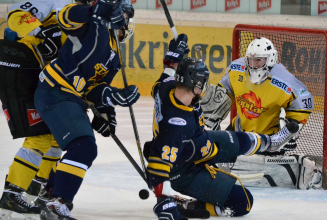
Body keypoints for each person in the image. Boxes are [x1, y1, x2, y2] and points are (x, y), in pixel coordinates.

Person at [144, 34, 300, 220]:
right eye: (204, 84)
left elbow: (168, 72)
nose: (205, 89)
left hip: (198, 142)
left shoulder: (167, 87)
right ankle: (190, 206)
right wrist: (163, 201)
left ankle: (271, 142)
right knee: (243, 202)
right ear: (196, 84)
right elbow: (158, 164)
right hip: (185, 167)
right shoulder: (177, 125)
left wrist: (173, 57)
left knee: (235, 139)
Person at [33, 0, 139, 219]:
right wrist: (95, 10)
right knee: (83, 147)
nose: (125, 23)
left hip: (72, 99)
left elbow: (96, 88)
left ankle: (49, 193)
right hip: (56, 90)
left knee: (81, 146)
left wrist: (110, 107)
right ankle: (57, 204)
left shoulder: (115, 58)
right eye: (124, 17)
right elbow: (65, 17)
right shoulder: (92, 25)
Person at [200, 37, 321, 189]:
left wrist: (290, 131)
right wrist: (210, 103)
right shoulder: (236, 68)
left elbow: (305, 103)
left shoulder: (284, 80)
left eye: (258, 60)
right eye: (250, 60)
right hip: (239, 130)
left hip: (269, 140)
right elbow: (223, 95)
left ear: (270, 60)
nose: (252, 65)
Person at [0, 1, 71, 219]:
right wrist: (42, 33)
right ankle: (12, 193)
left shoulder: (82, 8)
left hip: (45, 78)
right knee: (39, 137)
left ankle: (36, 184)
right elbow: (15, 15)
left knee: (56, 136)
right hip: (24, 73)